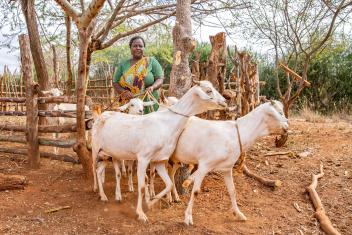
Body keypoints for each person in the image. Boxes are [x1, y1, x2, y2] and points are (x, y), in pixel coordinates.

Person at [113, 36, 164, 113]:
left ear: (144, 48)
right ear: (130, 48)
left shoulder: (151, 61)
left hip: (148, 102)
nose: (138, 48)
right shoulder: (123, 65)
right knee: (129, 124)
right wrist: (124, 92)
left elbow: (160, 79)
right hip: (129, 103)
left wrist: (153, 87)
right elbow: (115, 82)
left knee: (149, 123)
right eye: (135, 46)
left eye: (141, 46)